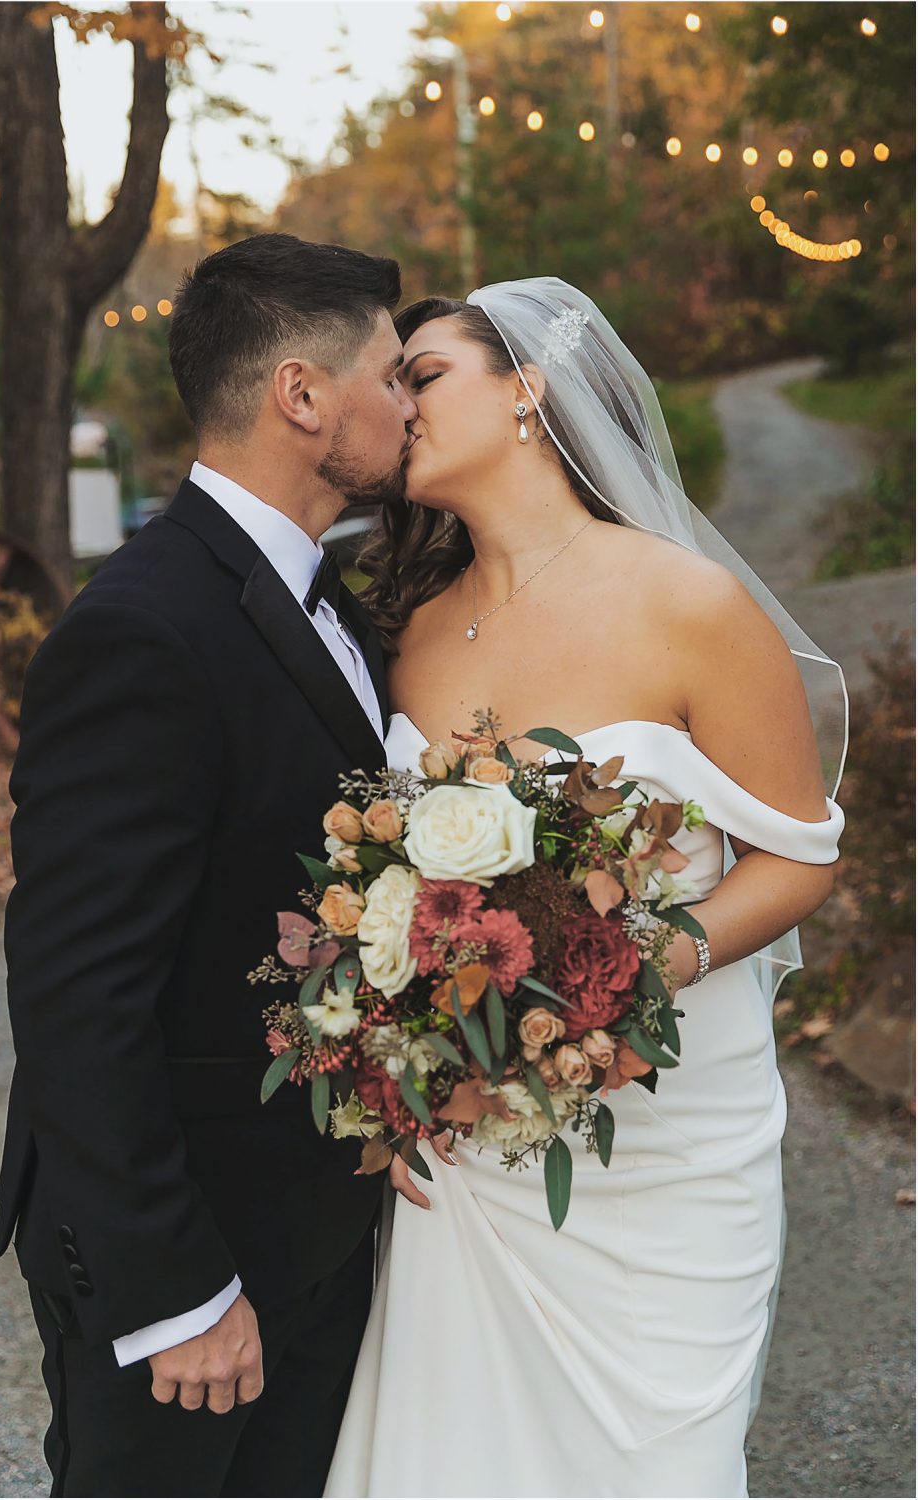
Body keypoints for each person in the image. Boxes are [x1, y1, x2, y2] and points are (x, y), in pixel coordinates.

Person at [324, 279, 846, 1499]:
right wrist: (396, 1072)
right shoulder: (410, 633)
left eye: (423, 374)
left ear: (527, 389)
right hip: (474, 1149)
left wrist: (627, 971)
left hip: (665, 1137)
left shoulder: (686, 603)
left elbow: (798, 857)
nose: (399, 405)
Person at [0, 232, 418, 1498]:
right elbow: (77, 995)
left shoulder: (333, 601)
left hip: (312, 1224)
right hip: (193, 1257)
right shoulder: (141, 629)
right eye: (390, 374)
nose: (408, 404)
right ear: (301, 395)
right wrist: (173, 1291)